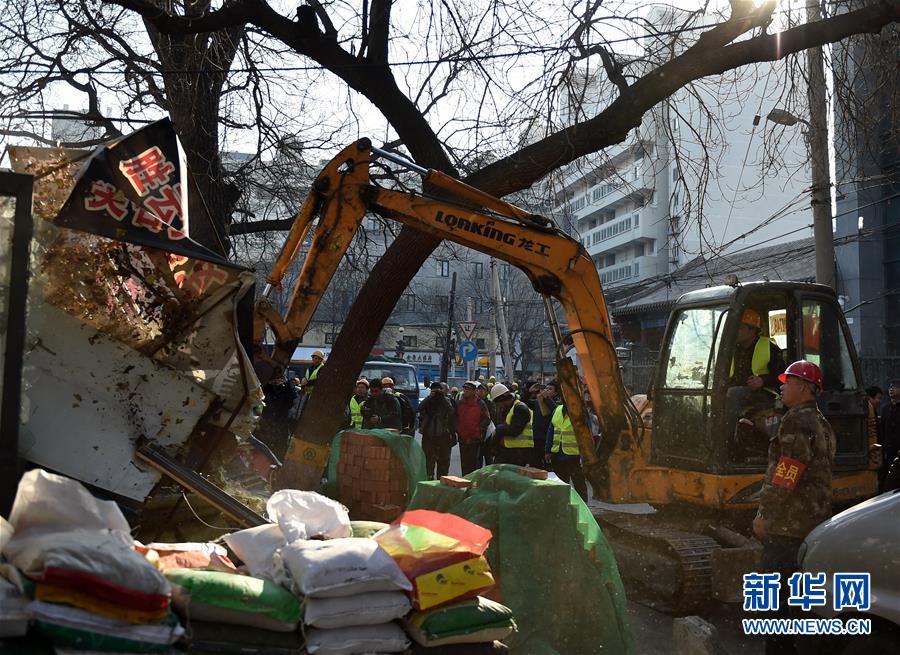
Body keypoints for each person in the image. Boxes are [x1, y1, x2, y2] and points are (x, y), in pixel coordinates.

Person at [753, 360, 835, 655]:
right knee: (800, 602)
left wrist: (765, 514)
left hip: (788, 525)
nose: (782, 388)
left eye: (787, 382)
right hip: (813, 523)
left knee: (778, 602)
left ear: (802, 387)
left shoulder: (797, 421)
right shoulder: (821, 423)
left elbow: (788, 471)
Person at [727, 309, 785, 455]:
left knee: (732, 394)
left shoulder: (769, 348)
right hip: (741, 393)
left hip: (766, 395)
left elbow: (784, 376)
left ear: (752, 330)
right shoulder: (732, 350)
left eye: (739, 327)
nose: (736, 331)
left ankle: (728, 440)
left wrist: (763, 380)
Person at [545, 396, 589, 502]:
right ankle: (562, 504)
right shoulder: (558, 410)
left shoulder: (579, 413)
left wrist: (586, 454)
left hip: (574, 455)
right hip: (557, 454)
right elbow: (551, 431)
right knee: (561, 483)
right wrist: (547, 450)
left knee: (579, 483)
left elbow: (586, 434)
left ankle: (582, 505)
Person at [255, 374, 299, 460]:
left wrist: (287, 383)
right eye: (274, 379)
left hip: (280, 420)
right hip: (268, 420)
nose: (276, 381)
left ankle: (278, 459)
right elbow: (260, 397)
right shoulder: (267, 389)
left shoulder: (286, 389)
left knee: (279, 443)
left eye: (279, 379)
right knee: (265, 442)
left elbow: (292, 399)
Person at [418, 382, 457, 479]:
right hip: (429, 436)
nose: (437, 393)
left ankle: (441, 484)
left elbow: (451, 412)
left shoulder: (447, 401)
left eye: (439, 390)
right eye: (434, 390)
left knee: (443, 465)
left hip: (444, 437)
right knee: (428, 464)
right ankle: (429, 482)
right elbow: (419, 408)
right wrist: (429, 397)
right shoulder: (429, 401)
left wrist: (442, 398)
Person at [490, 383, 533, 466]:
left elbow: (514, 430)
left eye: (498, 403)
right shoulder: (509, 408)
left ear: (502, 399)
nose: (499, 406)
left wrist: (498, 429)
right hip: (509, 452)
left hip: (519, 453)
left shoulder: (520, 408)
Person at [456, 381, 491, 475]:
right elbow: (455, 417)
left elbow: (487, 419)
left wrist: (479, 430)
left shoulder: (480, 404)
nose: (465, 391)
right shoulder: (459, 403)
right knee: (464, 465)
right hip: (463, 439)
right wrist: (457, 430)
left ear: (474, 391)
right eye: (465, 389)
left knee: (474, 465)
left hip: (475, 439)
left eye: (468, 389)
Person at [878, 379, 900, 491]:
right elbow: (882, 428)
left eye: (895, 387)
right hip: (888, 448)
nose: (891, 389)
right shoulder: (885, 408)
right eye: (890, 386)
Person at [528, 382, 554, 469]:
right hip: (536, 438)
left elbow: (554, 410)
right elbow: (524, 401)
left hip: (548, 440)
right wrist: (530, 392)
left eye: (550, 389)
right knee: (534, 465)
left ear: (555, 393)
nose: (546, 391)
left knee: (549, 467)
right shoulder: (537, 402)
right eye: (546, 389)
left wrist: (547, 399)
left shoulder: (555, 403)